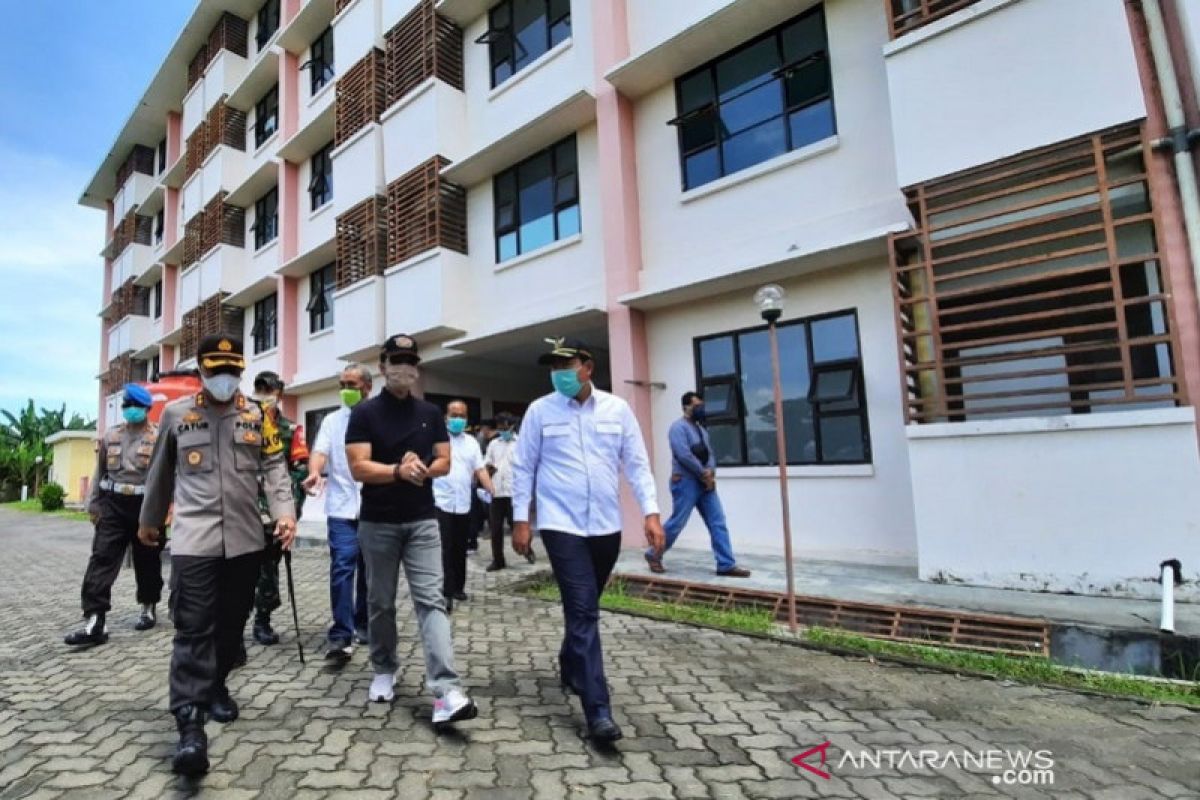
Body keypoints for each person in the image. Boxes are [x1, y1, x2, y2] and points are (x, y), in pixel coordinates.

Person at [138, 334, 296, 776]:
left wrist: (284, 513)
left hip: (246, 540)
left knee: (232, 624)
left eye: (231, 371)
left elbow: (274, 468)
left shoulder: (258, 415)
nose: (224, 379)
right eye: (216, 371)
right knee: (192, 627)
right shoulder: (175, 414)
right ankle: (189, 726)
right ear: (201, 372)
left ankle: (218, 685)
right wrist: (150, 521)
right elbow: (160, 474)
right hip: (194, 540)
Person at [512, 337, 665, 743]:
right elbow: (523, 467)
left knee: (584, 607)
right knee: (584, 612)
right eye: (554, 366)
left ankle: (569, 663)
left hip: (605, 527)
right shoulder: (539, 411)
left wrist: (651, 511)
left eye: (568, 364)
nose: (560, 373)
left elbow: (636, 463)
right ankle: (597, 709)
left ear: (588, 367)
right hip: (561, 526)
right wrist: (520, 521)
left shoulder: (618, 409)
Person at [345, 334, 477, 729]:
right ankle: (384, 668)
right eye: (396, 361)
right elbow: (358, 467)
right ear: (383, 366)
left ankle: (446, 689)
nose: (404, 368)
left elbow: (444, 460)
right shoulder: (365, 413)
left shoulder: (430, 413)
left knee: (432, 601)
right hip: (378, 523)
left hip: (422, 521)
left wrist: (420, 467)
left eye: (410, 361)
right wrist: (397, 471)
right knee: (381, 602)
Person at [64, 383, 165, 646]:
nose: (131, 410)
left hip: (146, 506)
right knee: (102, 559)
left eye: (136, 406)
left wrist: (166, 510)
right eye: (127, 406)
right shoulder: (110, 436)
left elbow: (167, 477)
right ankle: (95, 619)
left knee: (148, 561)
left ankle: (148, 605)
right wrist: (93, 505)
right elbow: (99, 473)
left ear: (146, 409)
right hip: (113, 505)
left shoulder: (158, 437)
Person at [303, 364, 372, 662]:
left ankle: (364, 622)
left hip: (374, 509)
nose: (346, 389)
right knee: (342, 568)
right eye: (343, 384)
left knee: (370, 571)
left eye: (352, 384)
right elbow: (320, 451)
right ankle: (341, 634)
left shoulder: (380, 417)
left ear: (367, 387)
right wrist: (315, 472)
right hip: (342, 508)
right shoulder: (332, 421)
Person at [646, 392, 751, 578]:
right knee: (678, 522)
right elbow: (683, 454)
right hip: (685, 482)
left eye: (701, 405)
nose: (700, 409)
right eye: (696, 405)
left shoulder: (702, 430)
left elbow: (710, 454)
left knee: (717, 521)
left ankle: (726, 564)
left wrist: (710, 472)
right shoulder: (677, 428)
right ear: (686, 407)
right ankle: (653, 554)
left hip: (705, 484)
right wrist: (703, 473)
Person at [249, 371, 308, 647]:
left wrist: (289, 512)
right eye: (260, 389)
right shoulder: (243, 423)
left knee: (268, 568)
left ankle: (262, 619)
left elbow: (300, 473)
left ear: (279, 393)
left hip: (274, 512)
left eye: (269, 389)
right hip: (243, 509)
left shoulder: (291, 430)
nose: (265, 394)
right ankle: (235, 617)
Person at [433, 400, 496, 607]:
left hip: (463, 502)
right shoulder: (437, 439)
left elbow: (479, 469)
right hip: (441, 501)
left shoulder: (471, 442)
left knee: (461, 547)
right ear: (446, 417)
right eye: (454, 415)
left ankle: (459, 587)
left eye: (462, 415)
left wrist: (490, 488)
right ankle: (447, 591)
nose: (458, 419)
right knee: (446, 547)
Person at [483, 412, 534, 571]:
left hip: (514, 492)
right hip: (496, 491)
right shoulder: (493, 444)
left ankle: (527, 550)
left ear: (512, 427)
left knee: (516, 525)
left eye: (505, 427)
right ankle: (498, 560)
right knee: (496, 528)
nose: (503, 430)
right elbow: (487, 463)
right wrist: (489, 470)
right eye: (500, 427)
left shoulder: (520, 443)